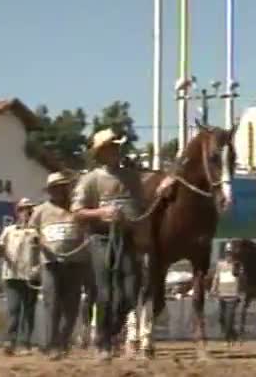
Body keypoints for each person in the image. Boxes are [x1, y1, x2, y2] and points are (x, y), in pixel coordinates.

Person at [70, 128, 145, 362]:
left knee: (130, 292)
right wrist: (102, 212)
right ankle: (103, 342)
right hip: (101, 239)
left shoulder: (132, 177)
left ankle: (111, 333)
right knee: (105, 293)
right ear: (101, 153)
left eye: (117, 147)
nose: (116, 151)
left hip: (128, 240)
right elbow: (77, 212)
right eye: (111, 147)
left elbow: (141, 207)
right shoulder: (90, 179)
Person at [29, 171, 88, 360]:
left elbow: (88, 230)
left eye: (62, 187)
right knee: (51, 304)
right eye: (55, 188)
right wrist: (34, 259)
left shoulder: (77, 209)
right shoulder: (40, 211)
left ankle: (63, 341)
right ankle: (51, 344)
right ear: (50, 191)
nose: (59, 191)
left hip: (75, 263)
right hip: (50, 263)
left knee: (71, 306)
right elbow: (31, 233)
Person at [0, 198, 39, 356]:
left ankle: (25, 343)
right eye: (23, 209)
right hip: (12, 275)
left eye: (30, 209)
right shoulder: (9, 230)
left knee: (28, 310)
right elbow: (0, 250)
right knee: (13, 309)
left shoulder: (37, 231)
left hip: (31, 276)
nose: (27, 212)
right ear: (17, 211)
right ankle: (10, 341)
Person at [213, 241, 240, 342]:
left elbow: (240, 279)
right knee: (222, 318)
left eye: (231, 253)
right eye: (228, 253)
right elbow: (216, 277)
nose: (229, 255)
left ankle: (227, 338)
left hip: (232, 296)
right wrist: (213, 289)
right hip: (222, 295)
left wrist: (238, 293)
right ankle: (233, 334)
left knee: (229, 318)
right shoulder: (220, 265)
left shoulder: (236, 265)